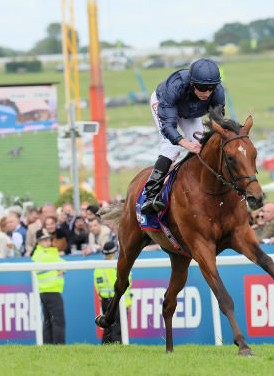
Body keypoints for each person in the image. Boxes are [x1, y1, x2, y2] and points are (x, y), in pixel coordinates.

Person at [140, 58, 225, 214]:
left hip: (191, 112)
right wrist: (184, 143)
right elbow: (168, 126)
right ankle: (150, 194)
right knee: (171, 147)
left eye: (211, 88)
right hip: (164, 105)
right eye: (202, 88)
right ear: (192, 84)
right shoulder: (175, 87)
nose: (207, 93)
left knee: (202, 145)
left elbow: (218, 122)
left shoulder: (217, 91)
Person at [32, 230, 65, 344]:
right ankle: (60, 347)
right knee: (58, 321)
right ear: (38, 242)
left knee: (48, 321)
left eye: (48, 239)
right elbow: (63, 263)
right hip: (51, 291)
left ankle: (48, 346)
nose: (48, 242)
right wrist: (61, 268)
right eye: (45, 240)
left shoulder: (41, 254)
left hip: (46, 291)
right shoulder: (44, 256)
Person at [93, 241, 131, 344]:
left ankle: (105, 347)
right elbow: (123, 288)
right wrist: (127, 303)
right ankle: (117, 348)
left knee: (107, 326)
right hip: (117, 301)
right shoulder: (115, 267)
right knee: (117, 327)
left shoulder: (98, 268)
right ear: (115, 252)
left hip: (105, 301)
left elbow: (98, 288)